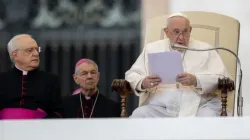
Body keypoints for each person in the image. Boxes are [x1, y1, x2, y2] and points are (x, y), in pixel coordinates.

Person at [125, 13, 230, 117]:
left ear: (190, 30)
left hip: (199, 107)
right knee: (139, 115)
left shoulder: (205, 49)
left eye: (185, 32)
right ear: (167, 32)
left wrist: (197, 81)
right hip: (162, 109)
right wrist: (143, 82)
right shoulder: (152, 49)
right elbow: (133, 74)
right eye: (176, 32)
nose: (181, 38)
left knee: (208, 116)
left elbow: (223, 78)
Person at [0, 34, 63, 119]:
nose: (36, 54)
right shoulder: (2, 79)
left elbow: (58, 112)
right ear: (15, 55)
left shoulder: (50, 80)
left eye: (37, 50)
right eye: (29, 50)